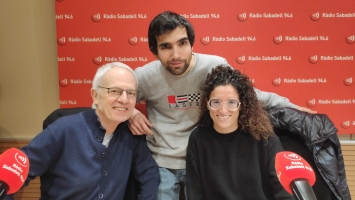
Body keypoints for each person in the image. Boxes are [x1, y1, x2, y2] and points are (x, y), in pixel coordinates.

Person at [129, 11, 315, 199]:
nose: (176, 54)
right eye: (166, 46)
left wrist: (291, 107)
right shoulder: (145, 76)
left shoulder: (211, 66)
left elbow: (247, 94)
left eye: (182, 43)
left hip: (205, 158)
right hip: (163, 162)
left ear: (191, 43)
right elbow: (114, 98)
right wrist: (132, 113)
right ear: (155, 50)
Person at [5, 62, 160, 200]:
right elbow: (10, 176)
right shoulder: (62, 130)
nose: (124, 99)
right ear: (95, 95)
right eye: (115, 91)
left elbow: (149, 174)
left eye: (131, 93)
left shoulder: (131, 135)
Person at [186, 64, 294, 199]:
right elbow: (195, 193)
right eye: (216, 102)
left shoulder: (265, 138)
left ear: (241, 104)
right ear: (207, 103)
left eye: (231, 102)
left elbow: (284, 193)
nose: (223, 110)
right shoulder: (198, 139)